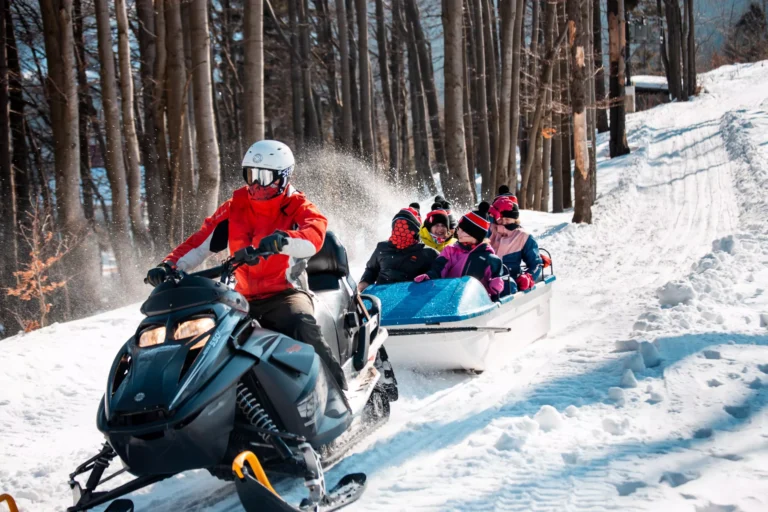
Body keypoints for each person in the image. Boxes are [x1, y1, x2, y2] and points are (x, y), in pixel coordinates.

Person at [145, 140, 347, 390]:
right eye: (251, 175)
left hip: (285, 294)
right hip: (240, 299)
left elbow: (313, 235)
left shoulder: (298, 206)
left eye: (265, 177)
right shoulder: (235, 207)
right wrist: (169, 265)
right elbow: (199, 242)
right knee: (205, 339)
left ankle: (336, 390)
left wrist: (284, 240)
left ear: (283, 177)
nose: (256, 185)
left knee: (301, 324)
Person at [414, 202, 504, 300]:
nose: (458, 232)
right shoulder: (450, 250)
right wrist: (430, 276)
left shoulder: (490, 259)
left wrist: (496, 286)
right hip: (449, 299)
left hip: (475, 302)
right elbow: (439, 268)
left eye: (462, 230)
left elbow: (495, 286)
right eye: (459, 229)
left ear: (474, 234)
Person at [357, 205, 439, 292]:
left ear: (414, 232)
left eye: (405, 229)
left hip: (411, 296)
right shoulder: (382, 248)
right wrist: (365, 281)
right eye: (397, 229)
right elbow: (371, 269)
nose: (400, 234)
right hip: (382, 295)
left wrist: (430, 280)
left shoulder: (428, 253)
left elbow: (440, 272)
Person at [488, 192, 543, 295]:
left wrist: (529, 276)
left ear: (515, 219)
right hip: (486, 278)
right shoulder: (490, 229)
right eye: (501, 219)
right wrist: (490, 216)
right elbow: (475, 234)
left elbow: (536, 264)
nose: (504, 222)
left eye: (507, 219)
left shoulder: (523, 236)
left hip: (508, 281)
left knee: (507, 287)